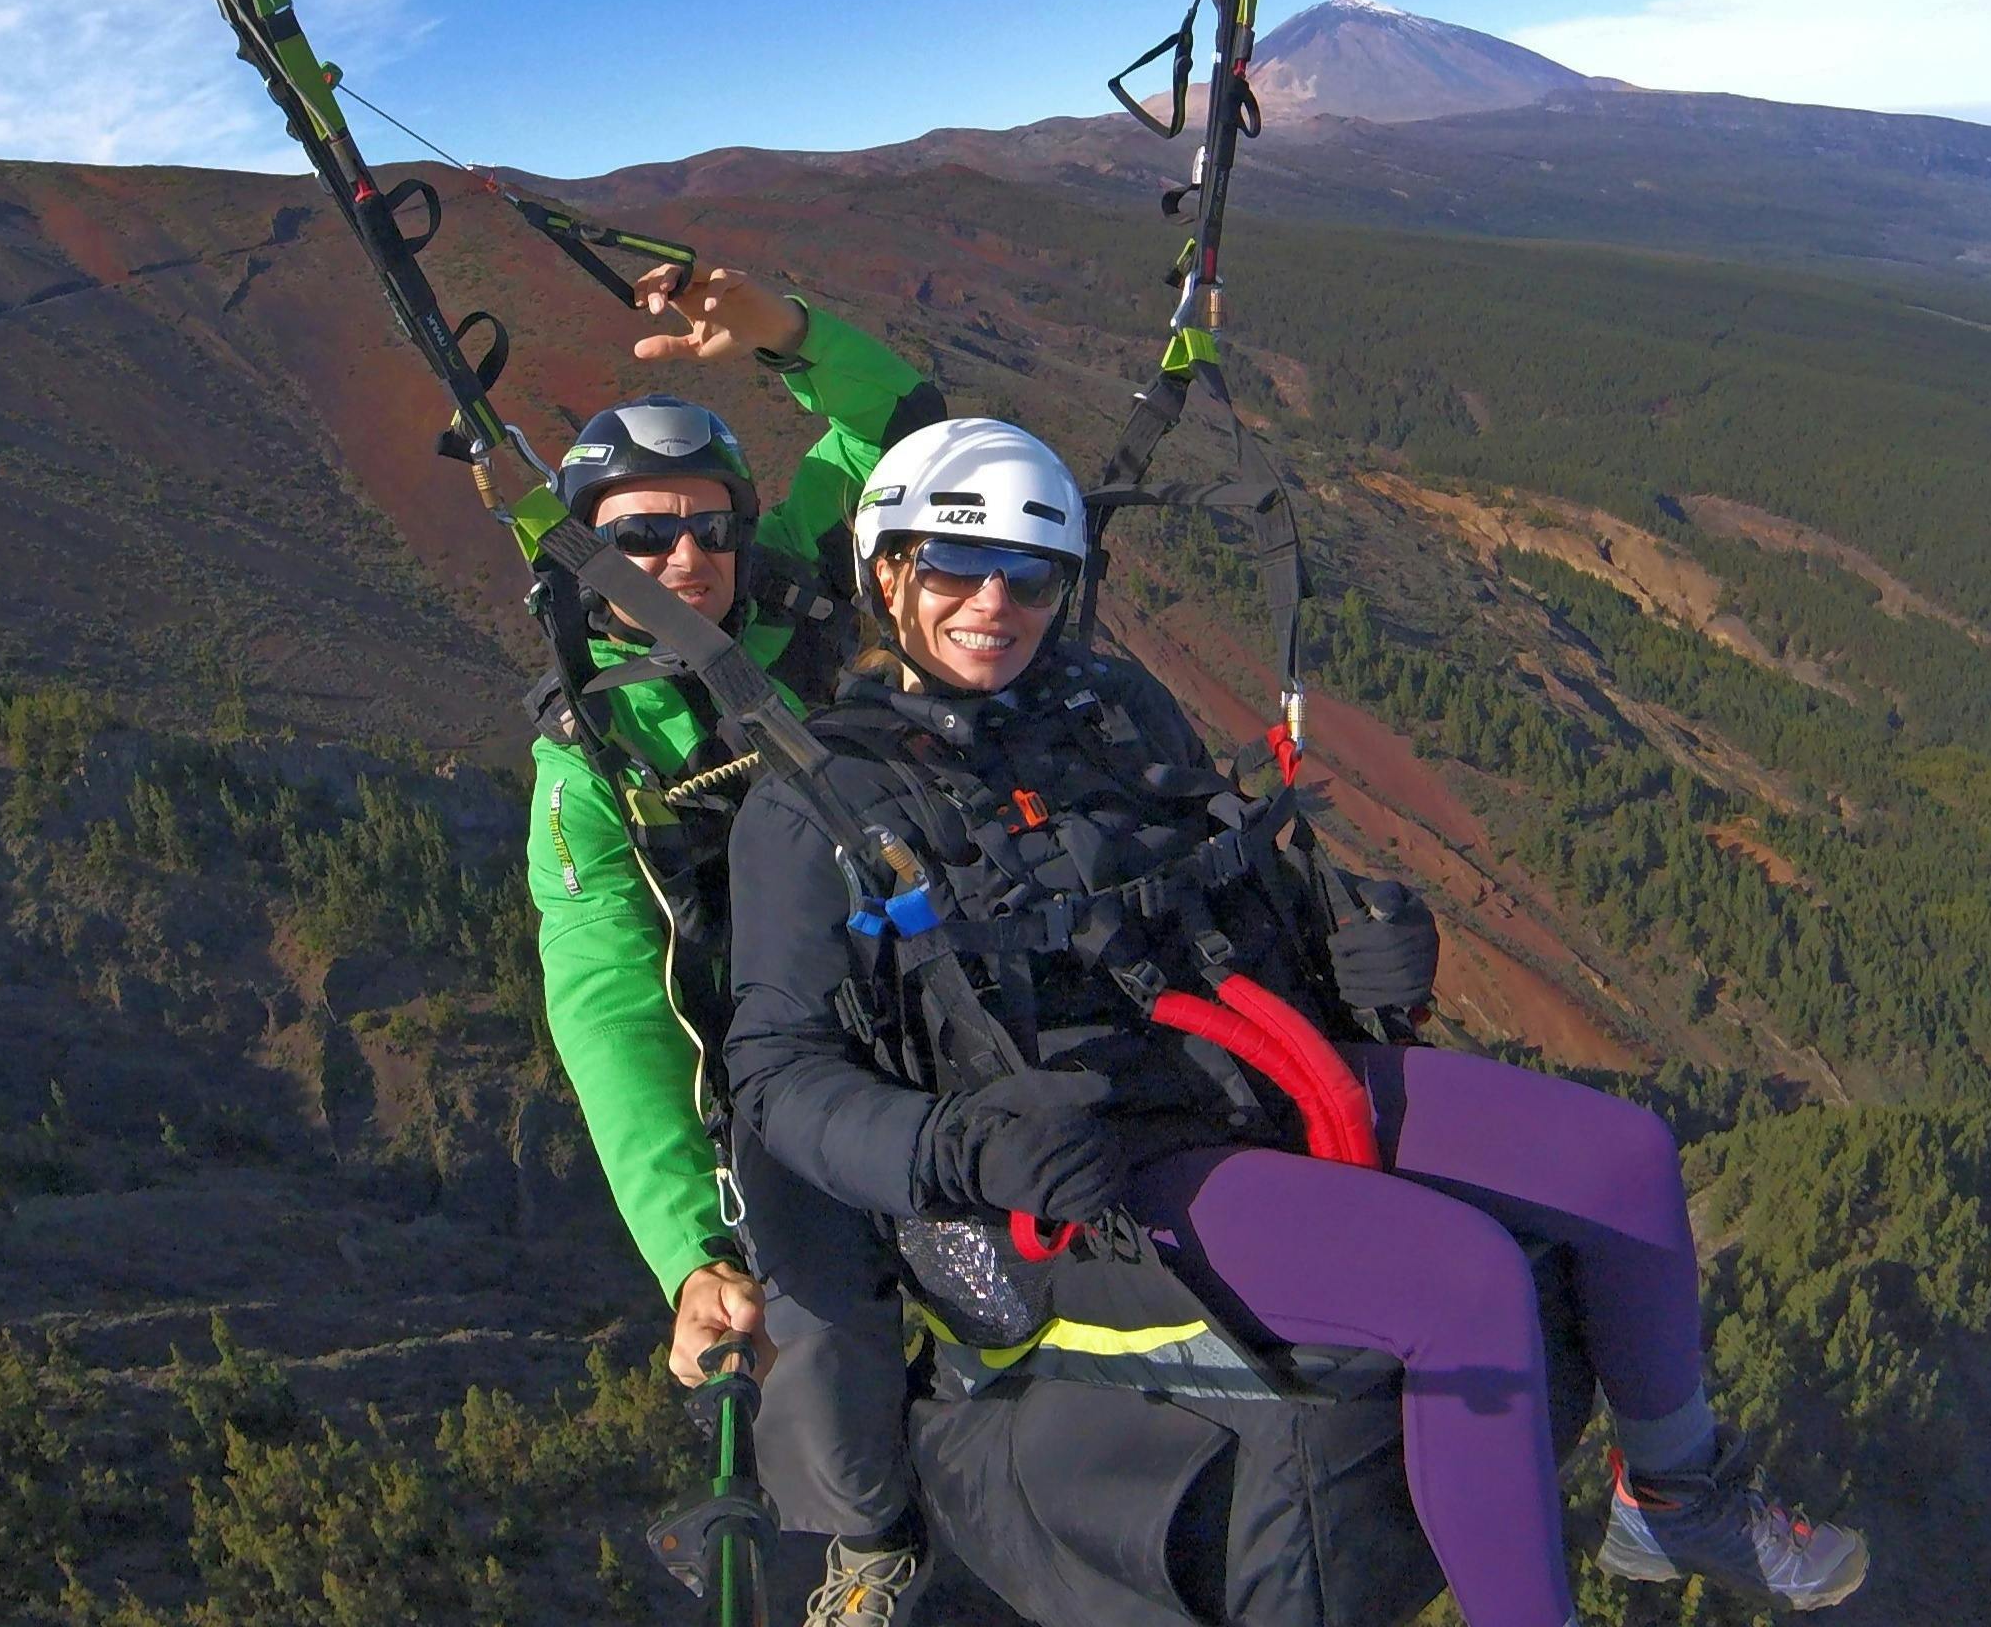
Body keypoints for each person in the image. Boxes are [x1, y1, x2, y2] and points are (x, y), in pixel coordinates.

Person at [723, 417, 1870, 1625]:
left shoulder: (1105, 706)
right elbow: (777, 1076)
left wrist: (1361, 961)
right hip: (1088, 1161)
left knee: (1621, 1157)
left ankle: (1675, 1497)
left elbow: (1221, 884)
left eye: (1031, 575)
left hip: (1247, 1064)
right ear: (886, 570)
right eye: (958, 569)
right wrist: (957, 1150)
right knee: (1461, 1282)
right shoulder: (818, 804)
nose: (995, 603)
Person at [522, 262, 944, 1624]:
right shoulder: (589, 761)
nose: (685, 559)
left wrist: (783, 332)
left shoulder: (800, 592)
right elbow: (609, 1010)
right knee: (816, 1335)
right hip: (785, 1059)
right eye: (640, 537)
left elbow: (899, 432)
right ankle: (869, 1548)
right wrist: (687, 1247)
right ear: (586, 553)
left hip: (931, 980)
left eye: (707, 527)